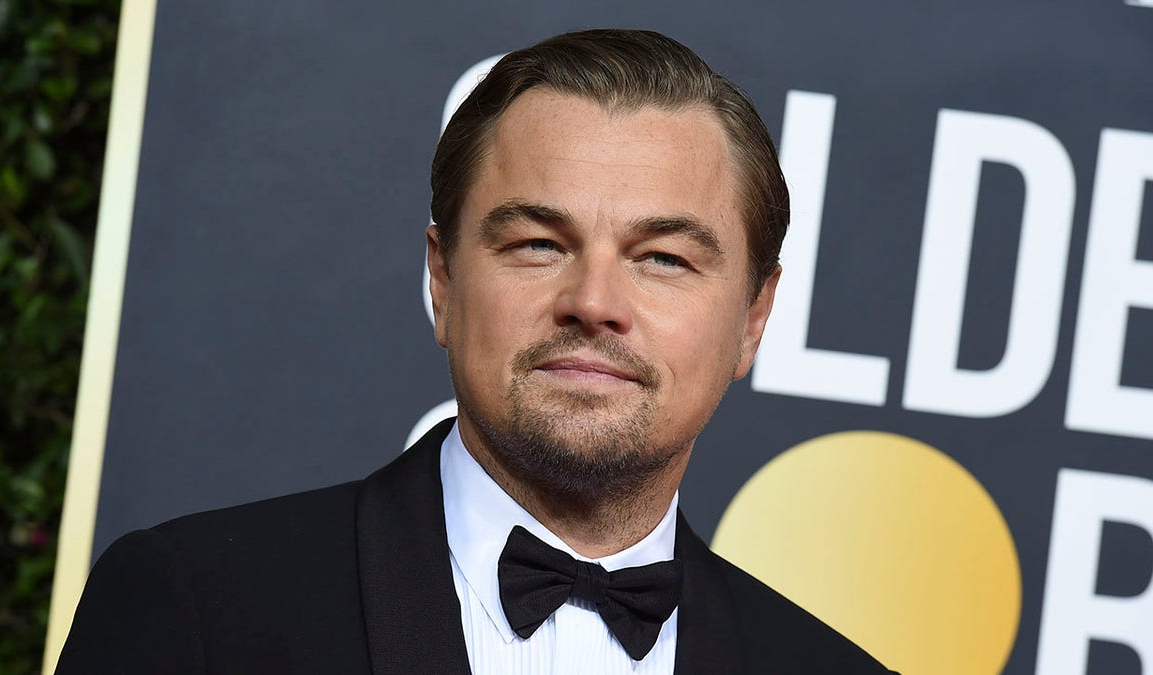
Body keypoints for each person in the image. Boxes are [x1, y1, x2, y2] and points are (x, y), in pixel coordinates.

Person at [56, 29, 897, 674]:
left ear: (753, 317)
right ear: (444, 282)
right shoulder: (196, 608)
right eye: (537, 243)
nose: (594, 304)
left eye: (664, 259)